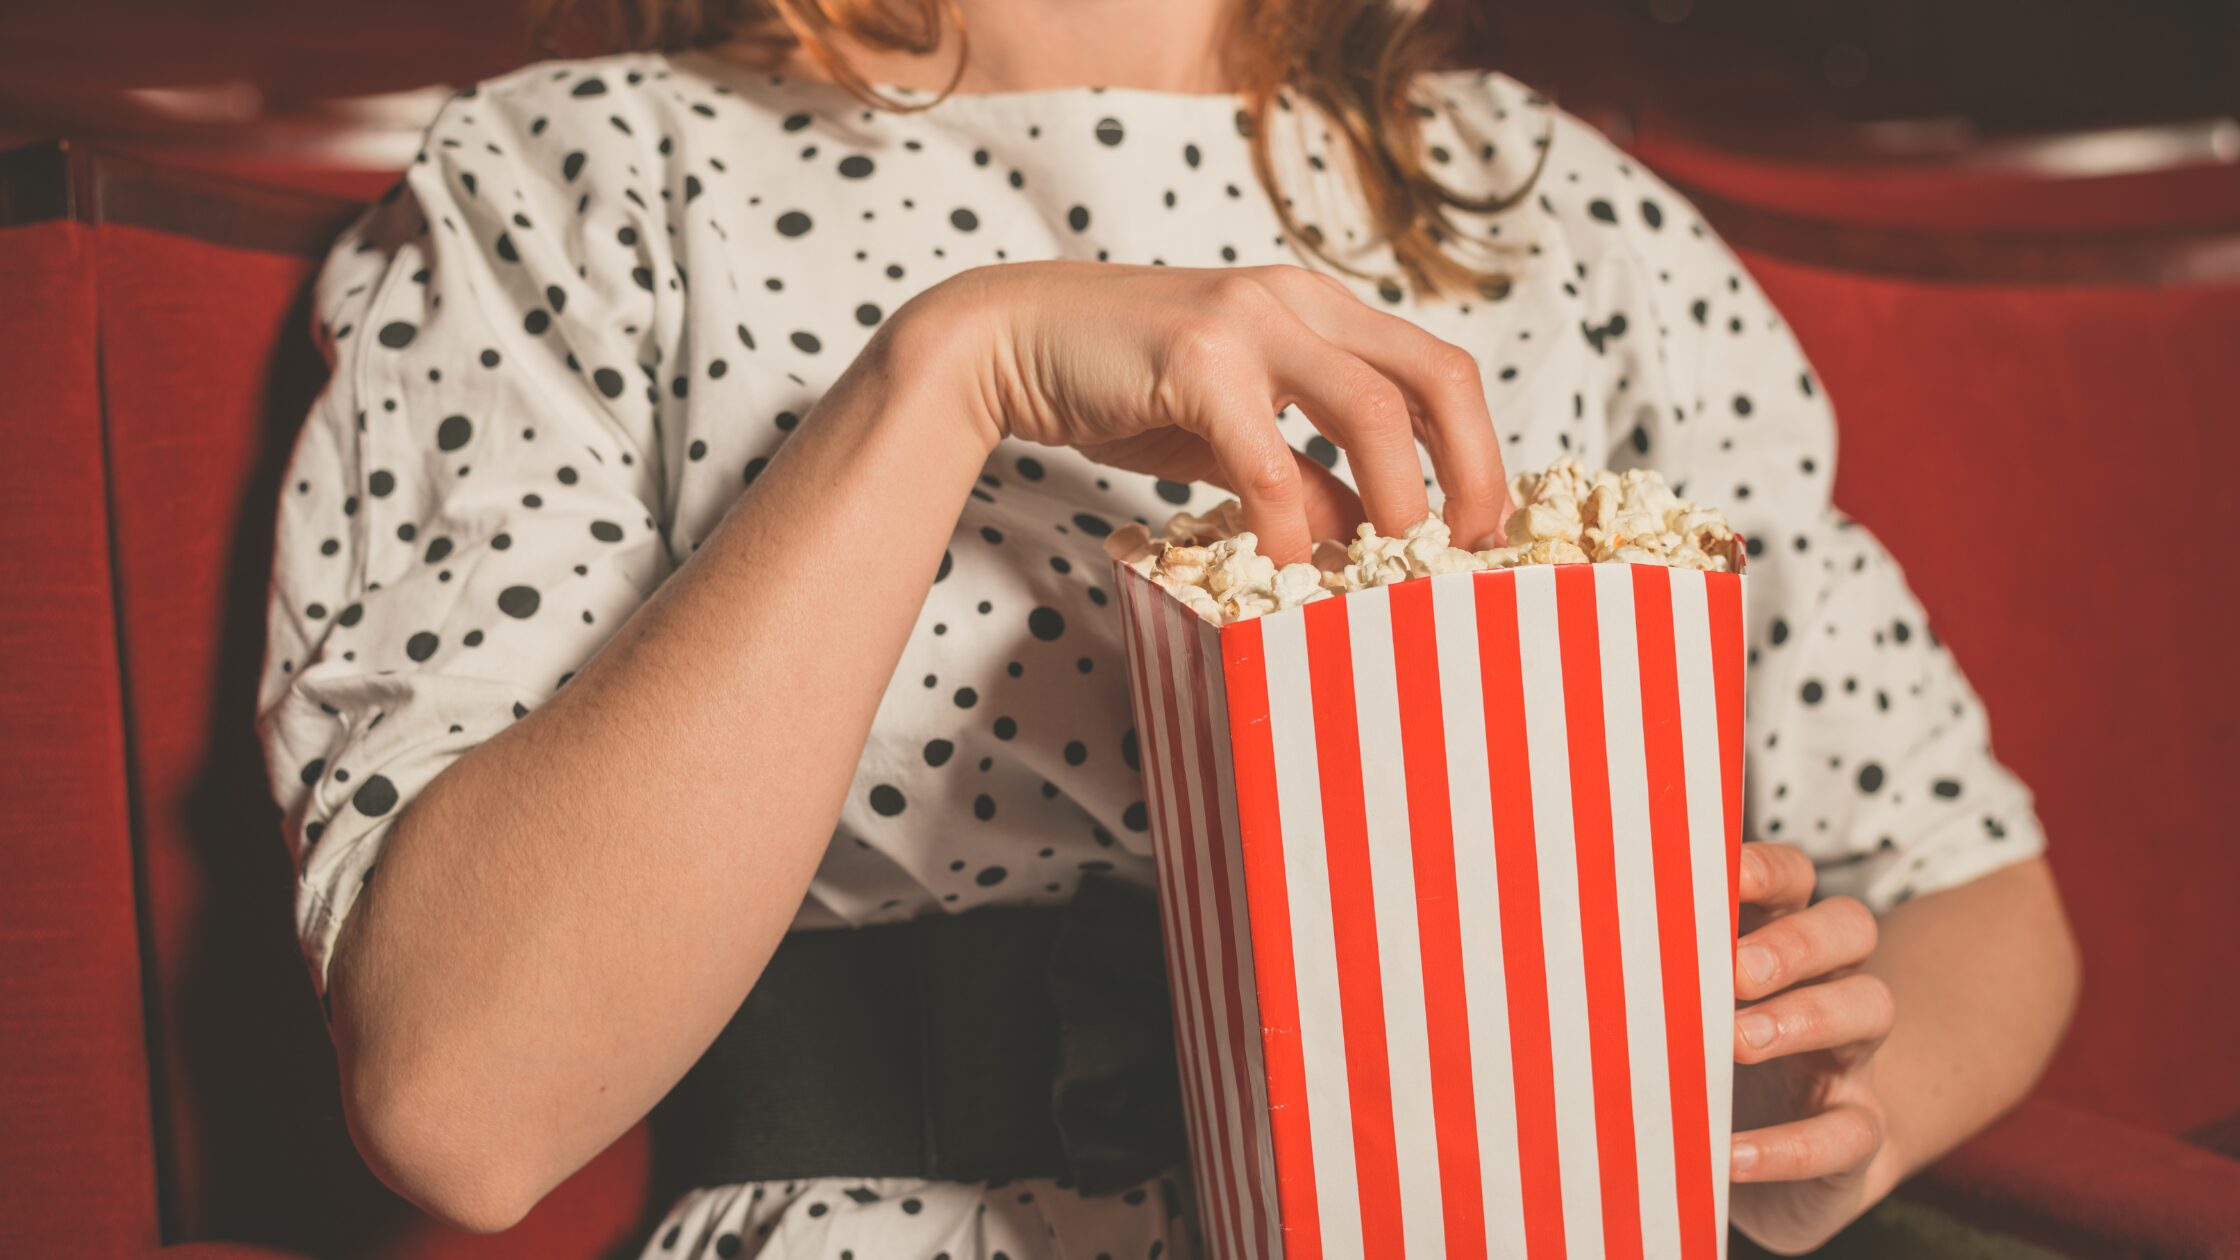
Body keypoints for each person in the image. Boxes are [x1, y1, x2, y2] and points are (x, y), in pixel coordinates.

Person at [253, 0, 2081, 1255]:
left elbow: (1980, 887)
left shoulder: (1575, 224)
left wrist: (1801, 1142)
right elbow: (464, 1101)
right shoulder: (582, 179)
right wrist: (954, 369)